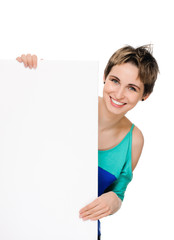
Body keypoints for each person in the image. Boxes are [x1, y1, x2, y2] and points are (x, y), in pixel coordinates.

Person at [16, 45, 159, 240]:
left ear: (145, 95)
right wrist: (28, 72)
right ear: (104, 77)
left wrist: (114, 201)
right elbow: (20, 121)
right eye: (115, 80)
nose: (118, 94)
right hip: (26, 225)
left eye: (132, 88)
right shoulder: (70, 101)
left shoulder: (134, 140)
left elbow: (118, 193)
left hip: (79, 231)